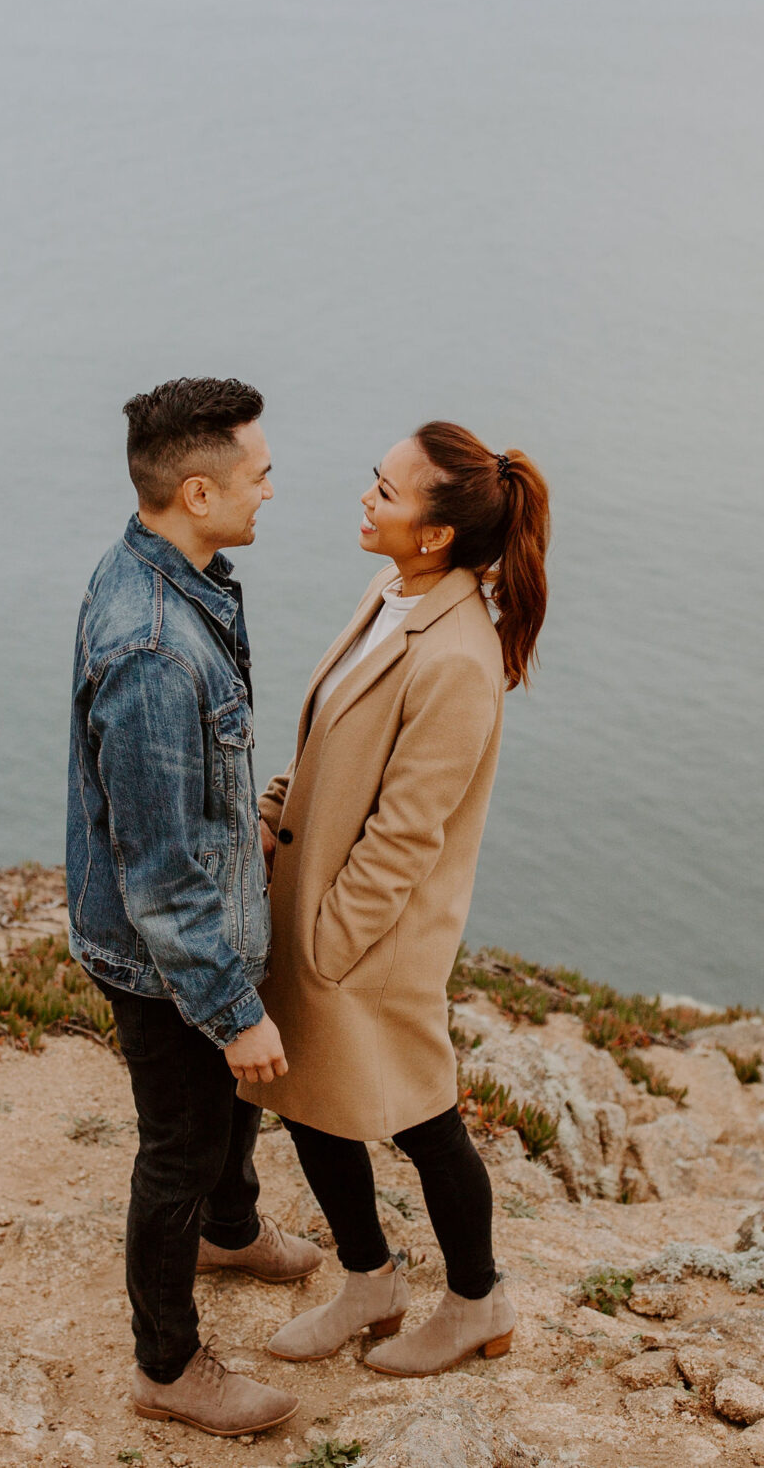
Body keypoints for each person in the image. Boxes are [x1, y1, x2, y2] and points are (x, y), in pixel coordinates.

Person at [241, 420, 552, 1376]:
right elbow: (327, 738)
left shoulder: (458, 656)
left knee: (421, 1114)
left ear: (437, 534)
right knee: (306, 1098)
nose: (366, 497)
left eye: (387, 490)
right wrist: (272, 810)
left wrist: (329, 943)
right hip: (313, 905)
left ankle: (477, 1300)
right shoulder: (391, 590)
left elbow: (410, 831)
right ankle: (372, 1282)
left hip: (370, 936)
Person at [66, 377, 322, 1437]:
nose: (274, 489)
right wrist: (232, 1007)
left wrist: (240, 825)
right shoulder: (154, 649)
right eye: (259, 476)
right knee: (179, 1138)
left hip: (204, 918)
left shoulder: (182, 575)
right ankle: (167, 1366)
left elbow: (181, 808)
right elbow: (161, 874)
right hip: (165, 951)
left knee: (231, 1109)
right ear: (202, 490)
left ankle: (230, 1229)